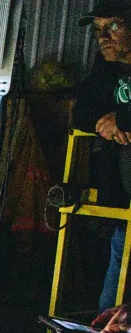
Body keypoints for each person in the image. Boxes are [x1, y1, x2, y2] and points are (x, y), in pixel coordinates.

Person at [73, 0, 131, 311]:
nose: (104, 37)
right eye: (98, 30)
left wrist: (123, 120)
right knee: (111, 305)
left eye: (114, 26)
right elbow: (80, 112)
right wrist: (108, 124)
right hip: (124, 200)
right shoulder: (106, 67)